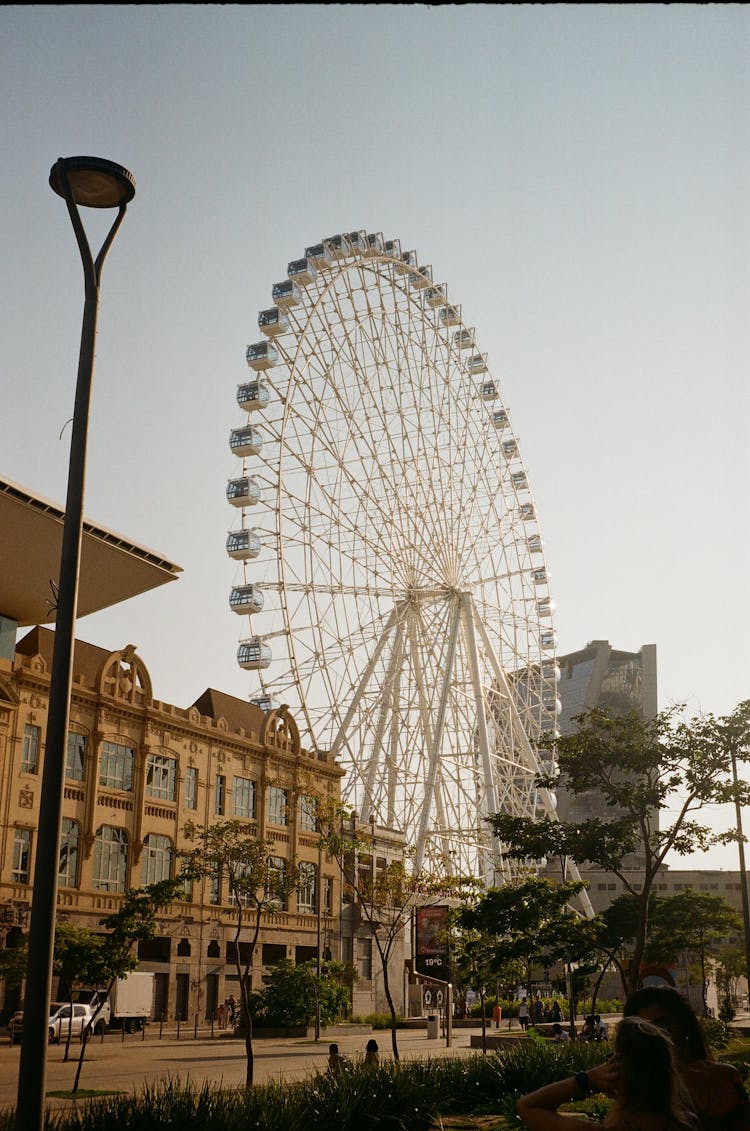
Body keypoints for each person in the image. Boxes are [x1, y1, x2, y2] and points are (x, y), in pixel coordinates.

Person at [517, 1015, 699, 1131]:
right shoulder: (689, 1124)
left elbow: (528, 1106)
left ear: (615, 1072)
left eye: (611, 1058)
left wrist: (588, 1080)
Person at [624, 986, 750, 1131]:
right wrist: (592, 1081)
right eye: (644, 1029)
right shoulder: (634, 1084)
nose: (655, 1035)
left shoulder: (721, 1078)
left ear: (684, 1025)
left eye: (663, 1025)